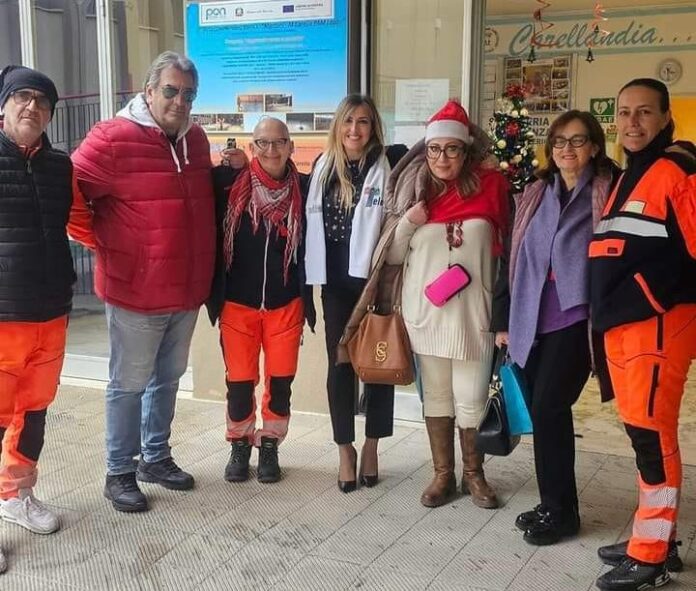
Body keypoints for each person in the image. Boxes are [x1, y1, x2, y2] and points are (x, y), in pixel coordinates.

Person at [71, 51, 216, 513]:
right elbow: (68, 192)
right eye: (171, 90)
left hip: (186, 288)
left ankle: (155, 457)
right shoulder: (112, 137)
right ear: (149, 91)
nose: (180, 101)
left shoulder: (196, 138)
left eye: (189, 94)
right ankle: (119, 471)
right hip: (134, 291)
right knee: (128, 384)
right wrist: (101, 242)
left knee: (167, 379)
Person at [491, 110, 617, 545]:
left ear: (594, 147)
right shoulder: (535, 192)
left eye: (578, 140)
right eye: (560, 141)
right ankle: (552, 504)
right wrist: (503, 320)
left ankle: (562, 513)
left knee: (549, 408)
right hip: (531, 317)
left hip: (576, 317)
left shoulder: (607, 191)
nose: (567, 149)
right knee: (546, 415)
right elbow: (512, 257)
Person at [590, 79, 696, 591]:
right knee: (643, 435)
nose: (632, 122)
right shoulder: (633, 173)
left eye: (645, 112)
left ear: (666, 117)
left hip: (657, 328)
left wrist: (645, 299)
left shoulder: (677, 172)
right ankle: (654, 535)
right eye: (625, 112)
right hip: (626, 330)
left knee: (652, 439)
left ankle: (651, 557)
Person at [381, 100, 509, 508]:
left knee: (472, 398)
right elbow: (392, 256)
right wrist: (409, 222)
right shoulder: (413, 191)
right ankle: (442, 474)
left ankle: (474, 474)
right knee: (435, 397)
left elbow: (509, 255)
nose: (442, 158)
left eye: (452, 149)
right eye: (434, 149)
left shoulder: (493, 188)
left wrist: (505, 318)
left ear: (465, 151)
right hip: (425, 315)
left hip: (474, 317)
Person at [0, 65, 95, 572]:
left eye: (42, 102)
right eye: (23, 97)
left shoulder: (61, 166)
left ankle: (16, 495)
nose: (32, 107)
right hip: (3, 314)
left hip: (51, 311)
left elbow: (82, 222)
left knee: (33, 412)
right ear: (4, 105)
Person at [305, 94, 406, 492]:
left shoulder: (391, 161)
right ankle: (345, 448)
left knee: (379, 361)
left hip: (375, 279)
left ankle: (372, 446)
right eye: (348, 121)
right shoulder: (322, 166)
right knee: (341, 364)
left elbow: (433, 157)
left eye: (362, 122)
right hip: (334, 282)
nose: (354, 130)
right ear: (337, 126)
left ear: (373, 127)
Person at [206, 117, 314, 484]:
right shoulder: (229, 184)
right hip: (238, 304)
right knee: (239, 383)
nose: (271, 149)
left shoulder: (305, 189)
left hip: (286, 304)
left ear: (291, 147)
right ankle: (239, 443)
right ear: (251, 148)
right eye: (263, 143)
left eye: (279, 142)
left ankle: (270, 445)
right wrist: (228, 165)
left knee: (280, 383)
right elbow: (193, 184)